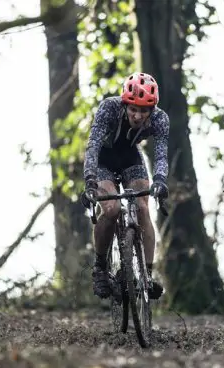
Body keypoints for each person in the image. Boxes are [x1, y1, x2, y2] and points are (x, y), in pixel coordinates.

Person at [81, 72, 169, 300]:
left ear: (152, 109)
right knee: (111, 209)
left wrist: (160, 181)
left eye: (144, 111)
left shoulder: (160, 119)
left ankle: (146, 276)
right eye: (133, 109)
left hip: (130, 157)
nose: (138, 116)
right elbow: (93, 145)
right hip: (104, 159)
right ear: (125, 103)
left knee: (143, 206)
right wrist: (90, 181)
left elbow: (161, 156)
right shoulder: (109, 108)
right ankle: (100, 268)